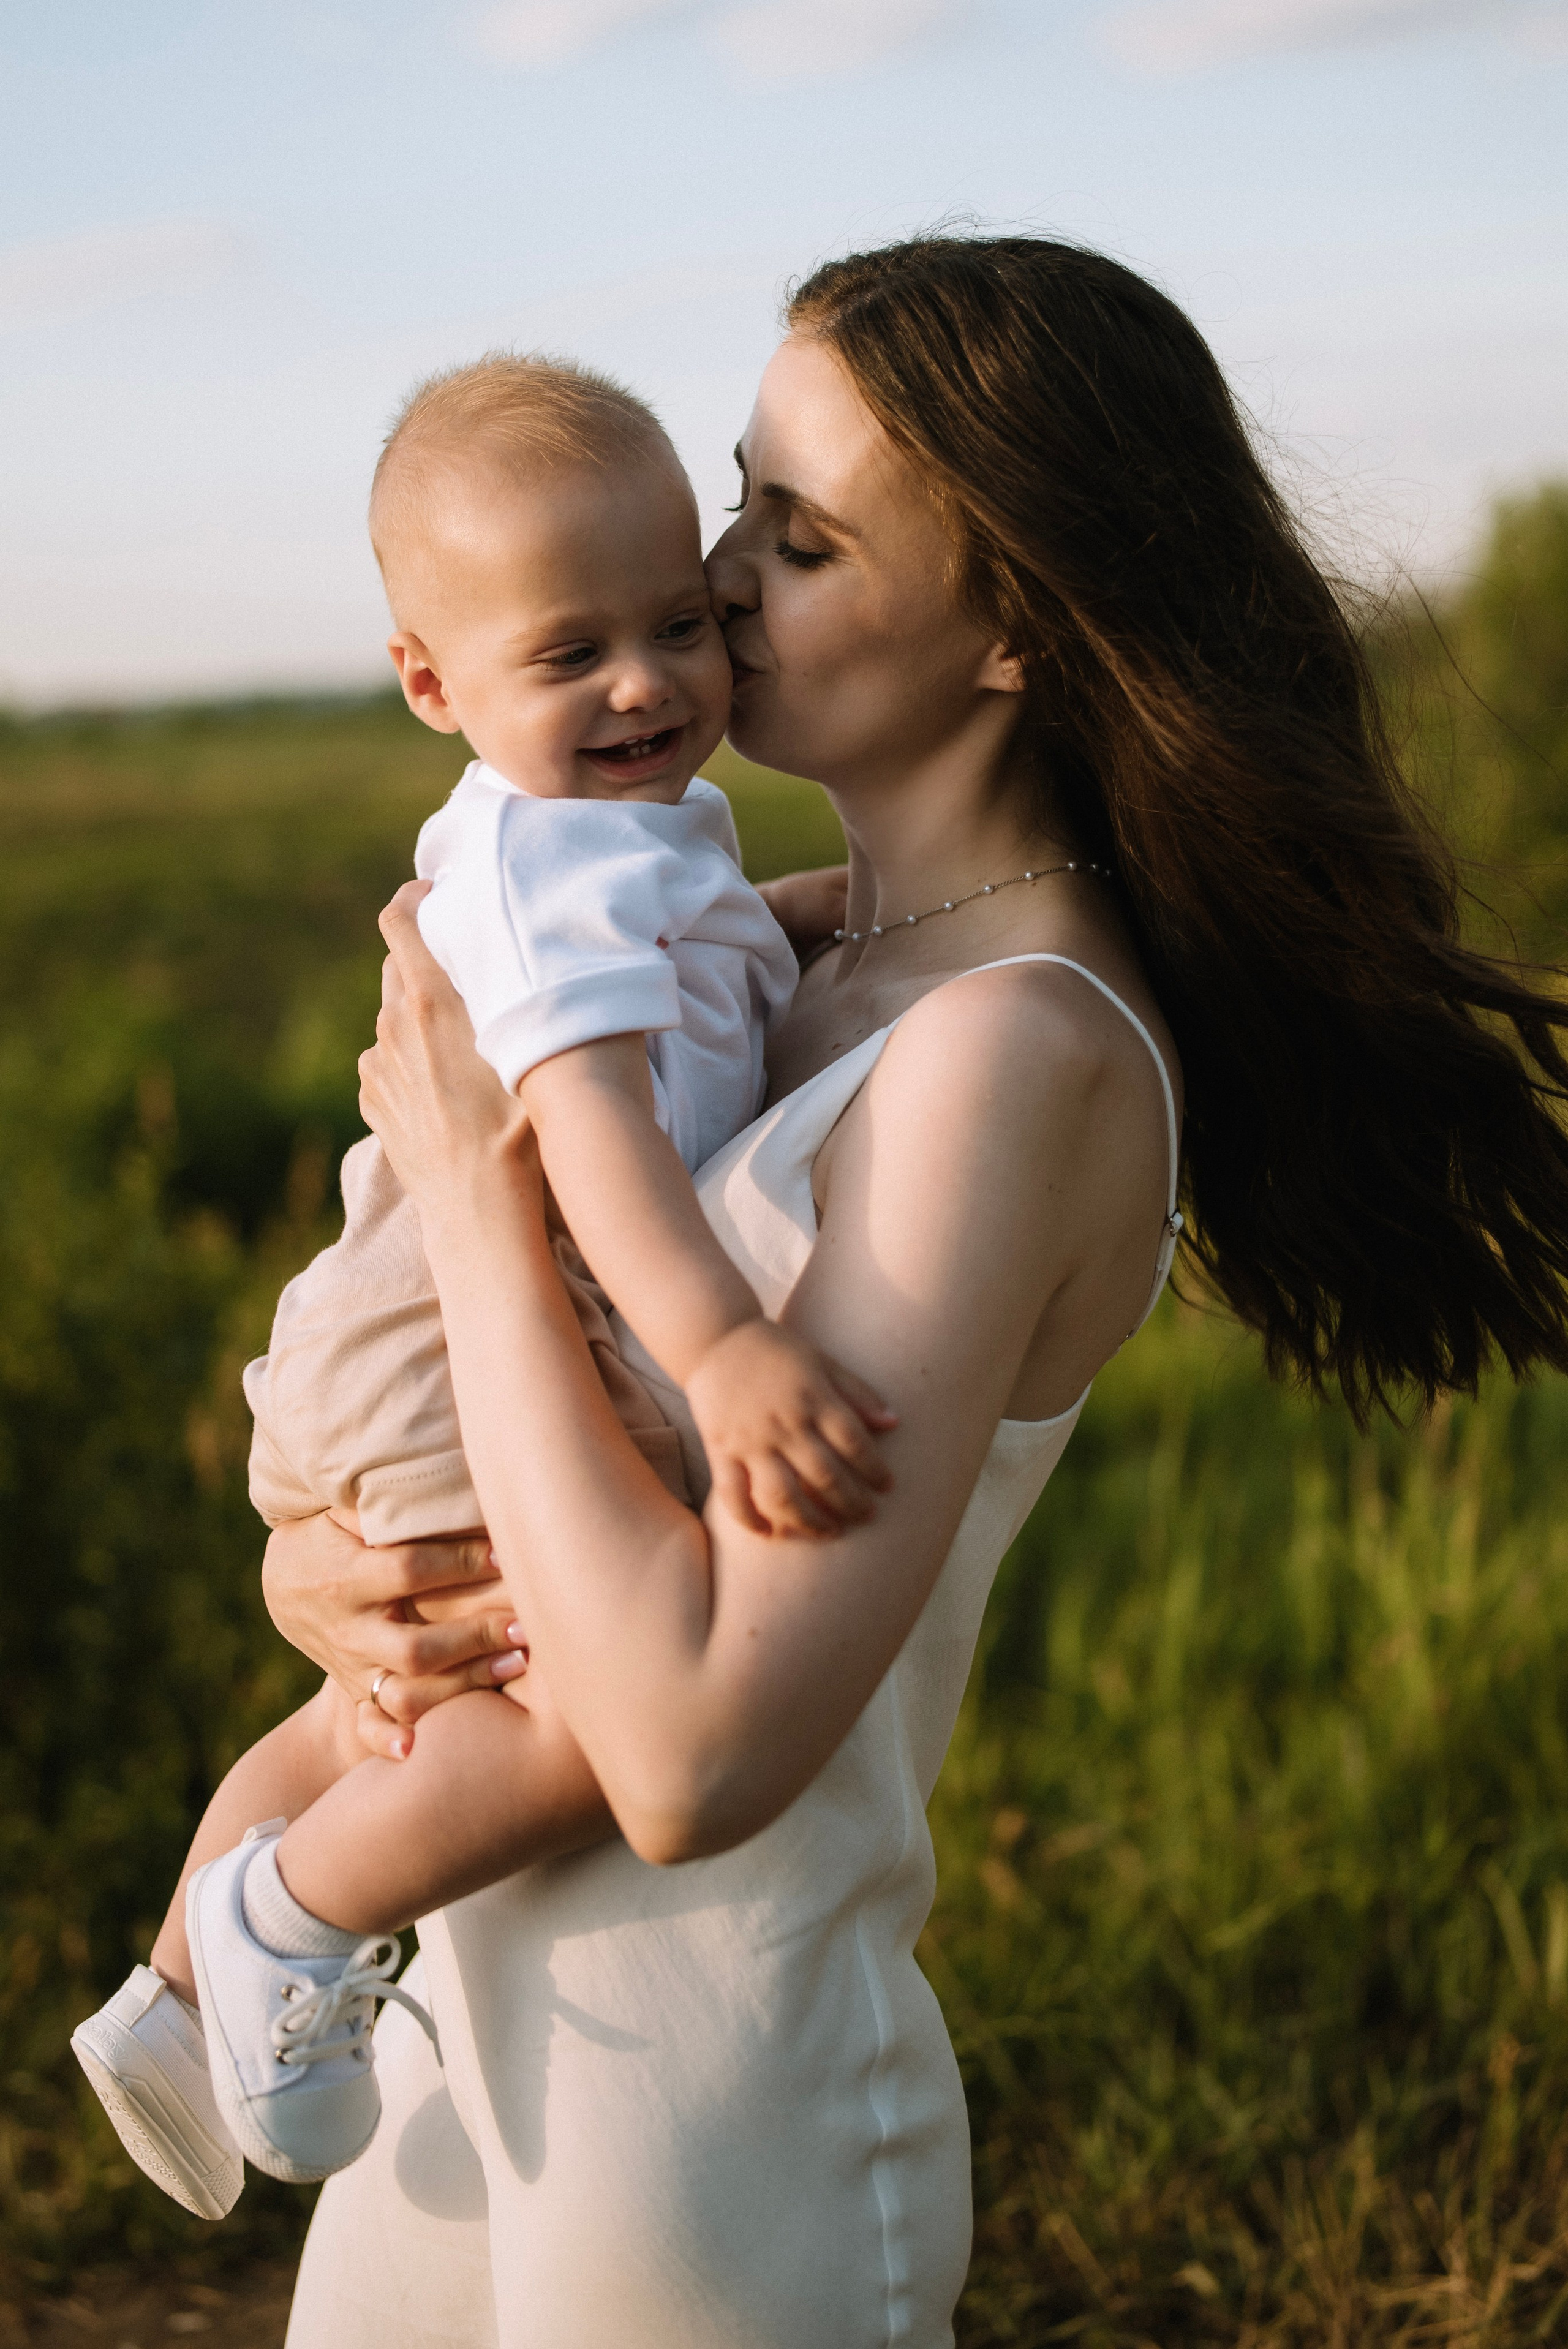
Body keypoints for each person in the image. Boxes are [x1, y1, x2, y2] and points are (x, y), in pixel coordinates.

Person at [267, 235, 1568, 2347]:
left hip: (716, 2135)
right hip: (468, 2022)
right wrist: (341, 1596)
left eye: (797, 536)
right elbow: (536, 1466)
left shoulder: (1014, 1053)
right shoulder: (790, 960)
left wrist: (475, 1188)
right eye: (733, 498)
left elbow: (691, 1747)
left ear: (1011, 636)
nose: (713, 572)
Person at [70, 355, 894, 2216]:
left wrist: (822, 911)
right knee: (555, 1695)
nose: (645, 682)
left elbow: (670, 981)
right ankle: (300, 1909)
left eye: (679, 622)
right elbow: (589, 1124)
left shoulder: (616, 830)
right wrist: (729, 1346)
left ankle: (179, 1987)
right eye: (571, 651)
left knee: (394, 1691)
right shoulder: (547, 852)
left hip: (414, 1321)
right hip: (451, 1320)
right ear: (434, 684)